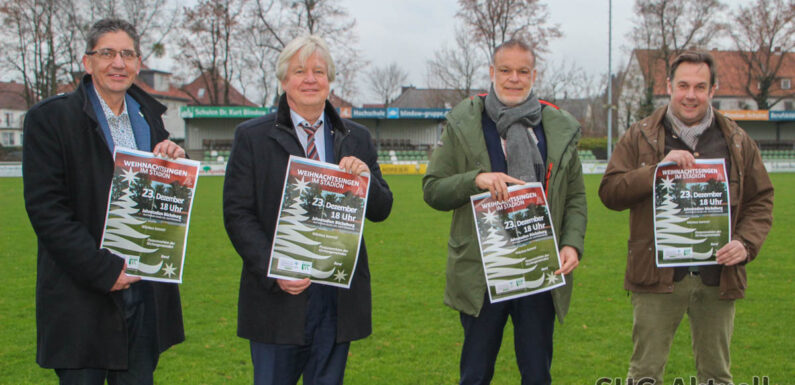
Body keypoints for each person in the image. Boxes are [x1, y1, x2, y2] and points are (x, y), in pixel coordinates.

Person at [222, 35, 393, 385]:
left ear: (330, 80)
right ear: (284, 80)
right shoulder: (252, 137)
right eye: (299, 71)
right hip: (276, 300)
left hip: (336, 301)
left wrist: (366, 181)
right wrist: (274, 268)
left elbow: (381, 208)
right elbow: (237, 214)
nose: (310, 79)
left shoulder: (356, 137)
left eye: (319, 71)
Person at [22, 19, 186, 384]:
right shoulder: (50, 119)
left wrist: (172, 160)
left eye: (127, 54)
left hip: (144, 290)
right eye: (107, 53)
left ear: (138, 64)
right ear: (87, 62)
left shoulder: (150, 120)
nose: (118, 63)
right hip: (82, 296)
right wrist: (103, 269)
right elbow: (47, 211)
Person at [599, 51, 774, 384]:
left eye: (699, 86)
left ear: (713, 89)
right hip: (656, 276)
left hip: (718, 277)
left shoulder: (737, 140)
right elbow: (609, 192)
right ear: (669, 86)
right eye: (683, 85)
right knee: (645, 374)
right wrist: (655, 171)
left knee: (716, 376)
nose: (690, 95)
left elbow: (761, 198)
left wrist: (746, 242)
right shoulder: (640, 135)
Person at [422, 39, 587, 385]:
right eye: (506, 70)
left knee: (538, 374)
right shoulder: (464, 123)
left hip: (540, 269)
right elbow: (433, 189)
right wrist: (475, 179)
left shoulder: (556, 128)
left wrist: (571, 244)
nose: (514, 78)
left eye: (522, 71)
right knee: (476, 374)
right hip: (482, 272)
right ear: (491, 72)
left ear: (534, 74)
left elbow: (574, 197)